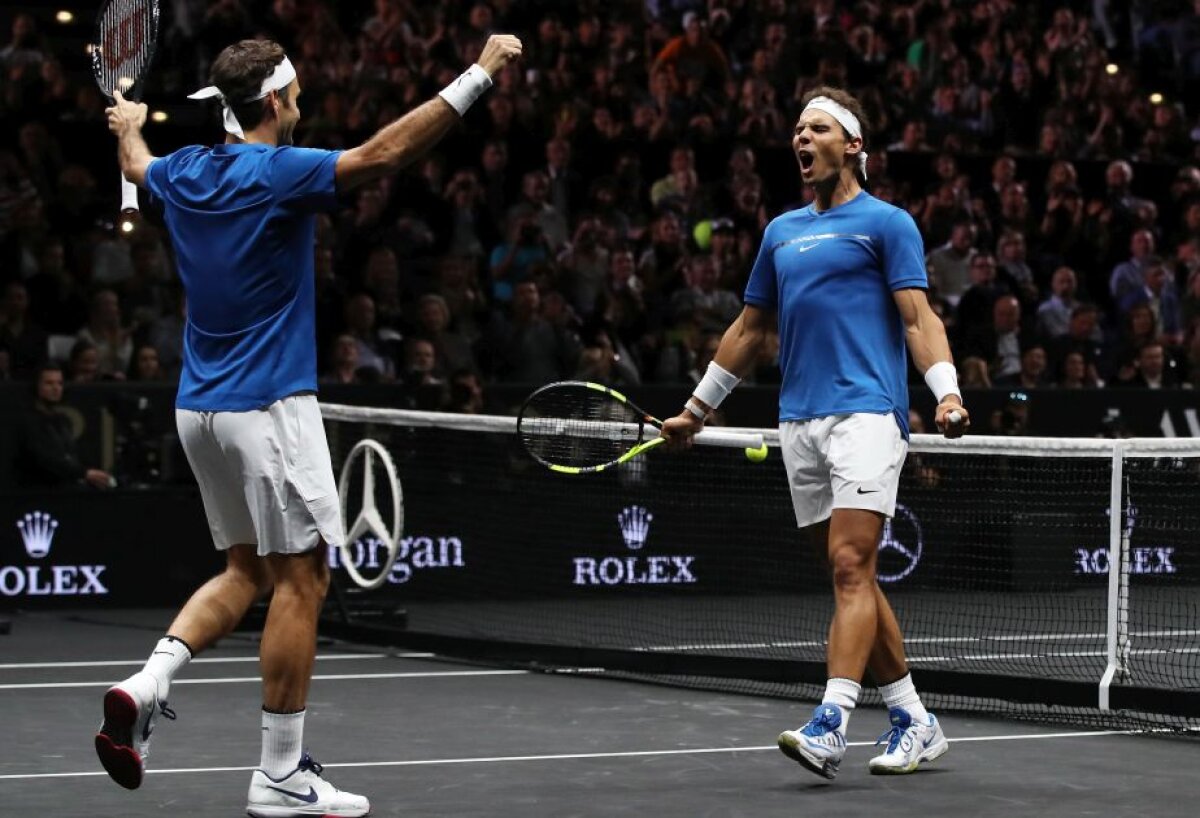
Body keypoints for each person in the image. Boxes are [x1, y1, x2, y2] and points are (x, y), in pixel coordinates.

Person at [99, 33, 523, 816]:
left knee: (244, 571)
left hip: (199, 411)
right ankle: (281, 775)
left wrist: (127, 125)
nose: (303, 105)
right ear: (274, 104)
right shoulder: (278, 175)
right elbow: (387, 154)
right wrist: (480, 74)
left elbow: (137, 166)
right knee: (304, 579)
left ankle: (147, 681)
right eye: (295, 96)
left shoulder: (183, 173)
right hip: (268, 409)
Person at [661, 86, 969, 780]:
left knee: (851, 566)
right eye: (798, 129)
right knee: (847, 573)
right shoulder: (780, 232)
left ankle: (830, 723)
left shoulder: (888, 223)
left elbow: (919, 319)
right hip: (798, 420)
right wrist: (696, 409)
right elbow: (750, 330)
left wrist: (946, 395)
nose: (802, 139)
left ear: (854, 145)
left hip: (868, 410)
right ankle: (914, 718)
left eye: (819, 128)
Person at [17, 362, 115, 490]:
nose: (56, 388)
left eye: (59, 383)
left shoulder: (63, 421)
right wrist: (84, 473)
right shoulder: (27, 421)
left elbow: (71, 456)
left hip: (68, 489)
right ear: (37, 386)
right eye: (49, 383)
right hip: (40, 492)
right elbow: (45, 459)